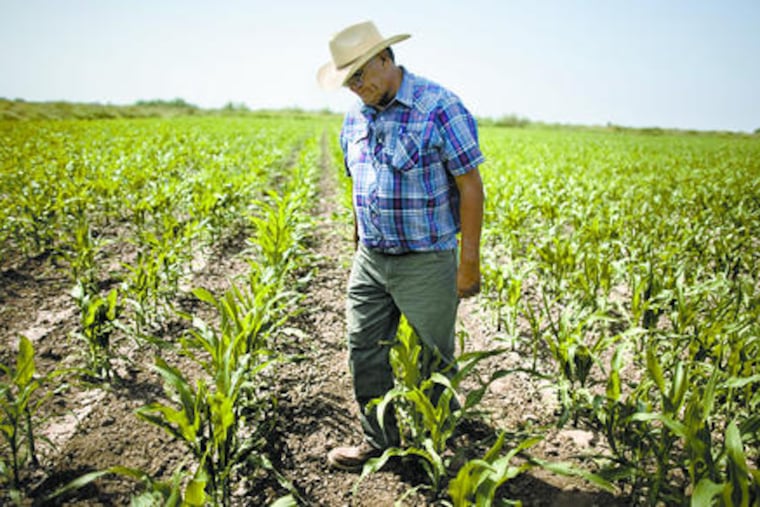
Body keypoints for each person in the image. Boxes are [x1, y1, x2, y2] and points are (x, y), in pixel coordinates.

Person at [316, 20, 485, 471]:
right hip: (371, 259)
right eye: (347, 81)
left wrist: (468, 264)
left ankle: (439, 449)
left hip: (426, 258)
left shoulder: (439, 107)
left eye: (360, 75)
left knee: (433, 359)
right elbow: (359, 183)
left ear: (385, 59)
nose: (356, 88)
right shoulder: (355, 116)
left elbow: (470, 186)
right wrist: (357, 243)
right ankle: (379, 441)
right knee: (363, 349)